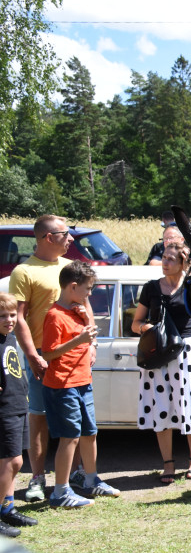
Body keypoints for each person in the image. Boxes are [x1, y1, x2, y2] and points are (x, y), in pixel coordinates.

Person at [9, 214, 91, 503]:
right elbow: (18, 318)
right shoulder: (24, 271)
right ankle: (37, 478)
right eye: (65, 234)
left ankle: (77, 474)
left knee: (79, 421)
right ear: (47, 237)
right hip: (44, 360)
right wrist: (32, 356)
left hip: (77, 359)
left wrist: (90, 345)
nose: (70, 239)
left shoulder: (70, 267)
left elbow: (85, 302)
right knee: (39, 420)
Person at [132, 243, 191, 483]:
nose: (165, 262)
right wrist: (146, 328)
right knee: (161, 408)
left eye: (171, 259)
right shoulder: (150, 288)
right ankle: (168, 463)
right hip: (159, 352)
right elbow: (135, 322)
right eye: (164, 258)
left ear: (183, 264)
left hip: (187, 351)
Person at [41, 261, 119, 507]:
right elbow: (48, 354)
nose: (90, 294)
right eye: (88, 289)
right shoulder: (55, 315)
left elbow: (88, 337)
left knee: (89, 433)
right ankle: (60, 492)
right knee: (69, 437)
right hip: (63, 386)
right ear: (73, 286)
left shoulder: (76, 310)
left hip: (82, 382)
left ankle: (91, 480)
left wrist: (86, 323)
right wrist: (80, 339)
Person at [0, 294, 36, 537]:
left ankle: (8, 508)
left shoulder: (9, 337)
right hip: (3, 409)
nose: (9, 320)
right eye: (2, 316)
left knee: (12, 463)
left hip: (17, 404)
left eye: (12, 315)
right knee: (13, 462)